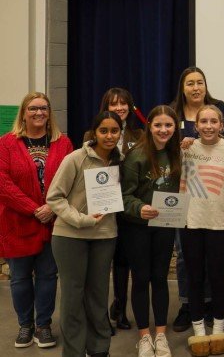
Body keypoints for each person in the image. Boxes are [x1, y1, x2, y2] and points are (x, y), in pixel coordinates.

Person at [46, 111, 122, 357]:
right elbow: (54, 198)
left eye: (114, 131)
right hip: (70, 236)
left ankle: (99, 349)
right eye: (104, 131)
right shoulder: (75, 159)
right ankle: (74, 351)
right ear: (94, 133)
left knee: (98, 296)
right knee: (72, 297)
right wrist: (81, 220)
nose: (109, 136)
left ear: (120, 133)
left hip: (105, 236)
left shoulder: (121, 161)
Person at [0, 92, 72, 349]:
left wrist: (51, 208)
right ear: (23, 113)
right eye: (33, 108)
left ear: (49, 112)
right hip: (18, 223)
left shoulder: (63, 144)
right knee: (19, 278)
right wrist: (34, 209)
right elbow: (3, 183)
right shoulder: (6, 143)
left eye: (43, 108)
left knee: (48, 275)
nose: (39, 113)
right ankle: (24, 325)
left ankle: (43, 326)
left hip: (53, 223)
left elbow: (70, 180)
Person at [170, 66, 224, 331]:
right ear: (182, 88)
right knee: (185, 258)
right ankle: (188, 306)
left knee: (212, 264)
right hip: (184, 200)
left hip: (214, 200)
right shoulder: (172, 112)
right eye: (190, 83)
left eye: (200, 82)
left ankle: (210, 306)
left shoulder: (220, 108)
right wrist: (181, 144)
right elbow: (163, 149)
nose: (196, 87)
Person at [120, 105, 182, 357]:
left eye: (168, 125)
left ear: (175, 127)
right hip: (137, 228)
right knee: (141, 278)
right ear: (150, 127)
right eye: (158, 125)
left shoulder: (177, 153)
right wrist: (139, 207)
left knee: (160, 279)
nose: (163, 130)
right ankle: (144, 336)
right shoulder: (137, 156)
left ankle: (160, 334)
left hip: (164, 226)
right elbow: (123, 196)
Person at [180, 104, 224, 356]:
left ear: (221, 125)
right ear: (196, 126)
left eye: (213, 122)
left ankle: (218, 328)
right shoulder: (186, 148)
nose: (208, 126)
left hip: (219, 223)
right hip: (190, 222)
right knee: (194, 278)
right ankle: (198, 332)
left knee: (217, 277)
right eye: (203, 122)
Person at [84, 88, 144, 331]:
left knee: (122, 261)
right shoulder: (91, 134)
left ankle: (120, 308)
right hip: (102, 205)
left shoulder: (139, 134)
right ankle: (98, 317)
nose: (119, 107)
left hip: (128, 205)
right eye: (114, 103)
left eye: (123, 103)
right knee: (100, 263)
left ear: (130, 106)